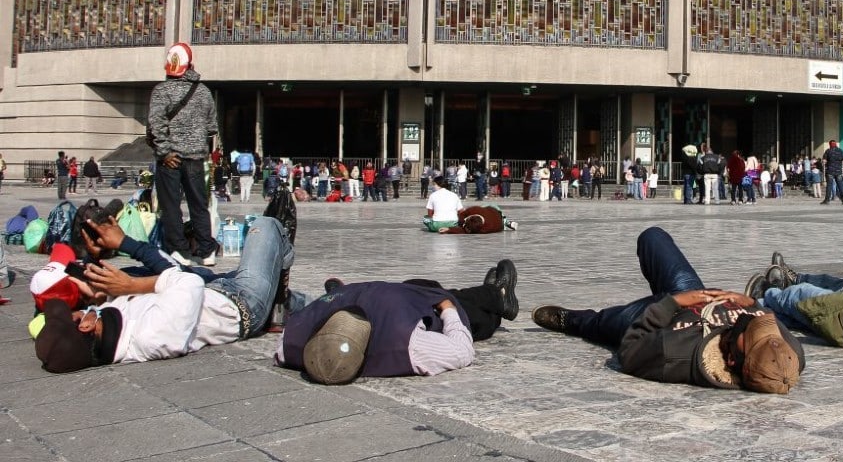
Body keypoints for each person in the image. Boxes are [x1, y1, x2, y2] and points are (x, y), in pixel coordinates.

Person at [531, 227, 804, 393]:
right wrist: (749, 304)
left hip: (660, 319)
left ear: (732, 360)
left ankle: (573, 320)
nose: (750, 321)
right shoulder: (789, 358)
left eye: (748, 330)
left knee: (602, 324)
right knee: (652, 237)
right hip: (698, 295)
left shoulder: (673, 355)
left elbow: (629, 350)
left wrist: (673, 304)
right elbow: (766, 320)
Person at [33, 213, 303, 373]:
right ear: (86, 325)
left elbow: (170, 272)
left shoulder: (108, 327)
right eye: (73, 315)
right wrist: (130, 276)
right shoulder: (153, 337)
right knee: (266, 225)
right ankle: (277, 293)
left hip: (215, 288)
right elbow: (187, 280)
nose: (76, 310)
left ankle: (291, 303)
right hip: (243, 302)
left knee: (304, 304)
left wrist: (100, 260)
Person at [276, 260, 520, 384]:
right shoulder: (407, 344)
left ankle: (490, 296)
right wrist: (447, 310)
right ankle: (495, 299)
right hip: (410, 303)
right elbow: (462, 349)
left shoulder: (294, 342)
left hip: (396, 297)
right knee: (464, 311)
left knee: (426, 287)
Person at [147, 43, 220, 267]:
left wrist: (165, 151)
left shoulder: (162, 91)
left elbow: (155, 123)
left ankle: (180, 250)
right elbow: (212, 127)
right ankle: (207, 250)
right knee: (199, 204)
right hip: (196, 158)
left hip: (171, 158)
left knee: (171, 206)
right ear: (191, 65)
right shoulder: (204, 92)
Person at [434, 205, 518, 234]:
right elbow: (462, 214)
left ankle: (505, 222)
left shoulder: (486, 229)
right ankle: (506, 221)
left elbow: (465, 232)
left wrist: (449, 229)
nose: (464, 226)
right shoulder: (476, 209)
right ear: (471, 216)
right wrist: (462, 221)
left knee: (500, 218)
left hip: (498, 221)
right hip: (492, 209)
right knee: (488, 206)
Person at [821, 140, 843, 205]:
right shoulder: (841, 151)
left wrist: (825, 164)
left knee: (829, 186)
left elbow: (824, 161)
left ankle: (827, 200)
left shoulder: (828, 151)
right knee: (840, 186)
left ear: (830, 144)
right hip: (838, 171)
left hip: (830, 171)